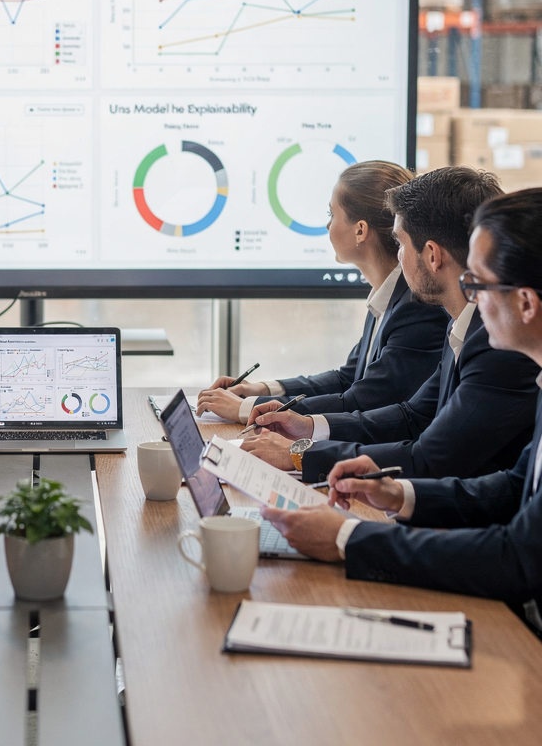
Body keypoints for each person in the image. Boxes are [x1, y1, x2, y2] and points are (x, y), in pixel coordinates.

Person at [261, 188, 542, 629]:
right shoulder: (477, 340)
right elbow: (513, 486)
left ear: (526, 303)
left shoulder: (501, 357)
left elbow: (518, 556)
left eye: (479, 283)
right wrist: (399, 494)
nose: (473, 298)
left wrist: (347, 536)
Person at [241, 167, 540, 481]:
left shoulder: (495, 346)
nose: (398, 259)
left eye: (401, 244)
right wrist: (309, 427)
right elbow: (413, 416)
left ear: (433, 256)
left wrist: (300, 454)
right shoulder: (462, 326)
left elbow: (429, 459)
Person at [197, 161, 449, 422]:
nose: (328, 227)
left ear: (360, 230)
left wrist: (247, 408)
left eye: (331, 214)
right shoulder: (389, 294)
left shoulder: (415, 309)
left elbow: (361, 400)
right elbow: (347, 378)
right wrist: (260, 389)